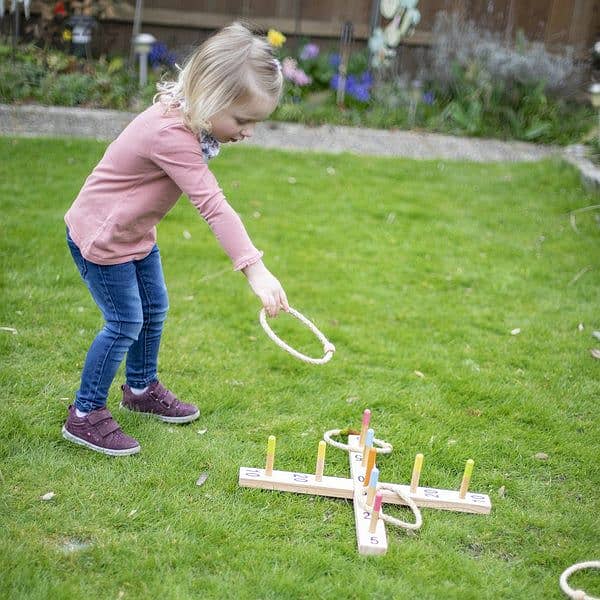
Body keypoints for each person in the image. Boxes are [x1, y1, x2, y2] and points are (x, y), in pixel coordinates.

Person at [62, 22, 289, 456]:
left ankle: (141, 387)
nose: (248, 132)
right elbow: (213, 205)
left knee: (154, 307)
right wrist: (254, 269)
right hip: (103, 238)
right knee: (126, 322)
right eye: (243, 119)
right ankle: (85, 414)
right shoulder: (171, 133)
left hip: (133, 234)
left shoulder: (187, 116)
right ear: (211, 96)